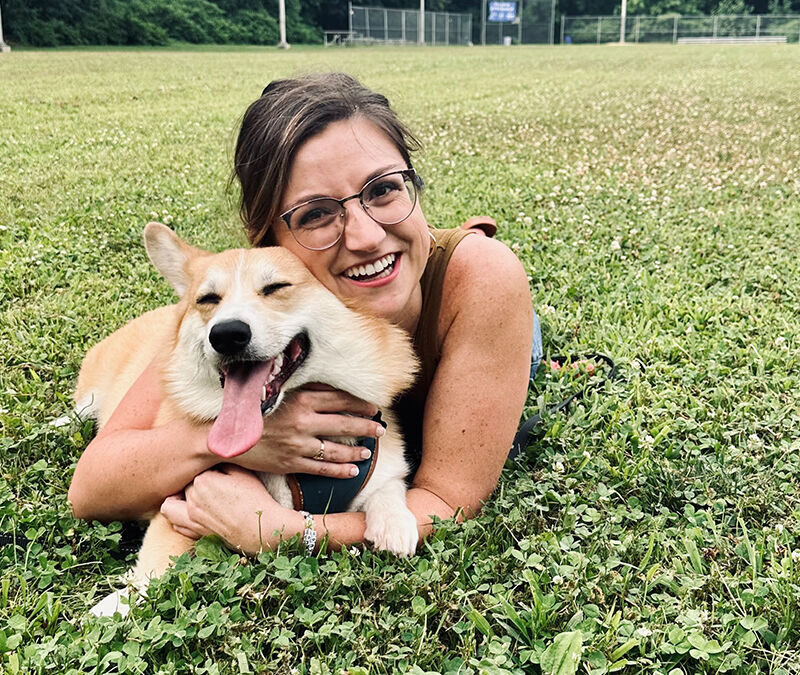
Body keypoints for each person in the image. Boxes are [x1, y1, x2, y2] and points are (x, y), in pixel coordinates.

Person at [68, 73, 537, 555]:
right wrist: (228, 439)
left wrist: (281, 532)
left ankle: (526, 353)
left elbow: (446, 500)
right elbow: (91, 488)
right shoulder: (235, 324)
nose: (366, 237)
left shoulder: (482, 279)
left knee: (518, 347)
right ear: (267, 241)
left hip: (481, 323)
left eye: (384, 190)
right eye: (315, 214)